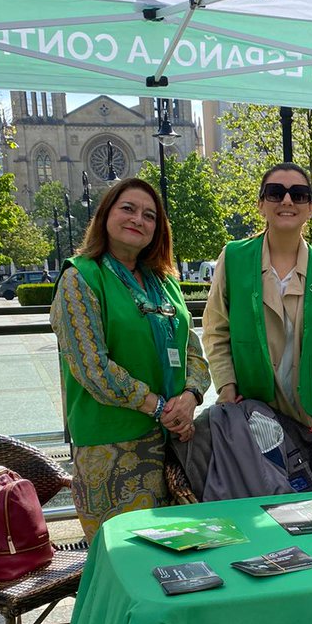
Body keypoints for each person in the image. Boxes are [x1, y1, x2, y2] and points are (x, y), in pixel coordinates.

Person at [50, 178, 210, 542]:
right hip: (112, 453)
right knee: (129, 563)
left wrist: (189, 399)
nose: (139, 219)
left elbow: (193, 353)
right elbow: (93, 369)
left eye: (149, 215)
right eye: (128, 209)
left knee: (186, 558)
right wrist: (159, 408)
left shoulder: (164, 282)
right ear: (105, 214)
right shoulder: (81, 278)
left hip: (176, 445)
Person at [202, 163, 312, 451]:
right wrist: (226, 386)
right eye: (275, 193)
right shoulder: (234, 257)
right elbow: (215, 330)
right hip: (251, 412)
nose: (286, 200)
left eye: (298, 194)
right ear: (261, 204)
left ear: (310, 208)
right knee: (257, 491)